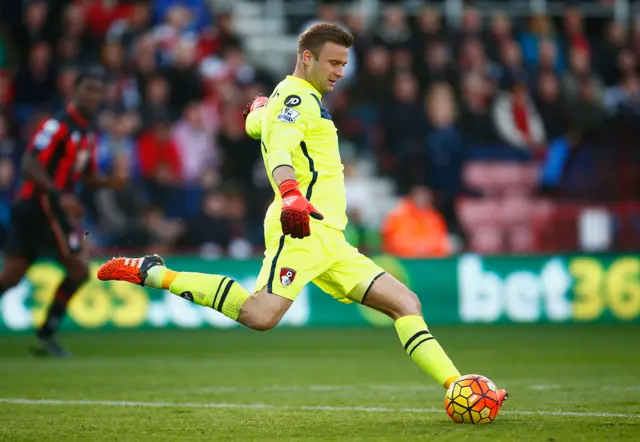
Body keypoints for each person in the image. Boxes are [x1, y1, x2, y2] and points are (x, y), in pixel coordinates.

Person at [97, 23, 508, 409]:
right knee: (260, 315)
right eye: (333, 63)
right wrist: (290, 193)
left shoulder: (289, 100)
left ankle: (458, 387)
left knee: (406, 302)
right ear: (306, 57)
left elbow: (261, 127)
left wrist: (258, 113)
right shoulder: (297, 98)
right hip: (300, 228)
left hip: (332, 239)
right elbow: (279, 148)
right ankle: (154, 272)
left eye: (345, 64)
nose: (340, 72)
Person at [0, 67, 125, 357]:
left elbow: (88, 176)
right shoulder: (58, 125)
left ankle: (46, 335)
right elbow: (29, 164)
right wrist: (61, 195)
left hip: (47, 207)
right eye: (89, 89)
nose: (94, 96)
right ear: (75, 90)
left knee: (11, 277)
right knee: (80, 269)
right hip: (42, 206)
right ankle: (47, 334)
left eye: (99, 90)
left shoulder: (88, 132)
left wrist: (110, 181)